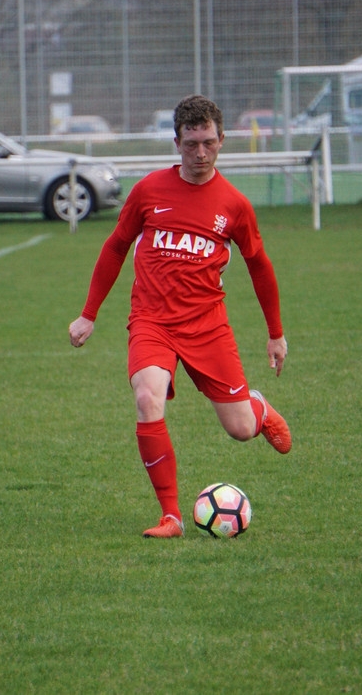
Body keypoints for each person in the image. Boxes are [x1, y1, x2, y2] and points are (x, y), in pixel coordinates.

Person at [68, 94, 291, 539]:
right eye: (191, 144)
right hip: (151, 320)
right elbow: (115, 246)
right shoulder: (149, 191)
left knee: (241, 430)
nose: (200, 153)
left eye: (208, 142)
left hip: (208, 326)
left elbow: (259, 265)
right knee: (148, 398)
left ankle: (258, 407)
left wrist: (276, 334)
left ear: (221, 141)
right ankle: (170, 516)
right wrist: (88, 314)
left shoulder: (234, 205)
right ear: (176, 142)